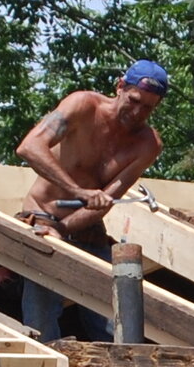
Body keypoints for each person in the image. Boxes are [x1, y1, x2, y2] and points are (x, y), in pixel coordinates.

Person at [11, 61, 170, 341]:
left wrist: (65, 229)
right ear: (120, 86)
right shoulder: (82, 106)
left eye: (148, 108)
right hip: (43, 219)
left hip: (86, 230)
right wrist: (77, 191)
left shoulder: (147, 144)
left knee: (117, 324)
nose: (137, 112)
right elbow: (29, 147)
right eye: (133, 101)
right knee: (42, 323)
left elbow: (108, 199)